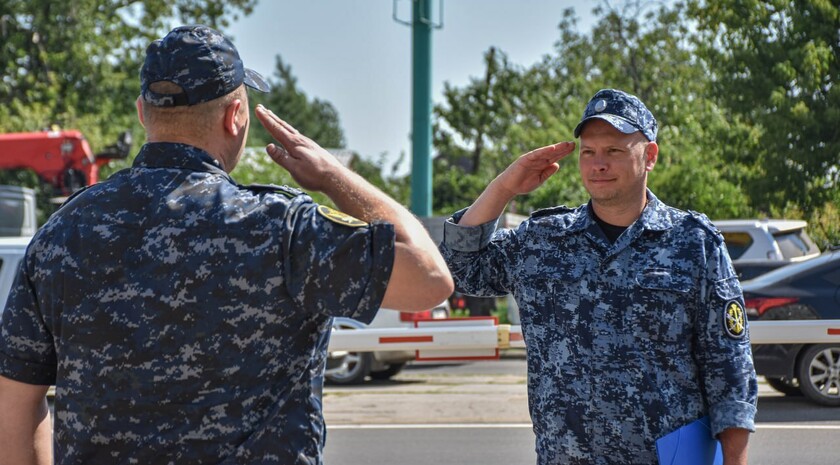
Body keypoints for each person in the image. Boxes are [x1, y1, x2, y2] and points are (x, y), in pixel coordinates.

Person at [0, 25, 453, 465]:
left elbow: (14, 417)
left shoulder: (61, 234)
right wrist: (333, 177)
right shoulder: (281, 227)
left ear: (142, 113)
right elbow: (430, 279)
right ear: (235, 117)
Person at [439, 89, 757, 465]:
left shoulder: (693, 242)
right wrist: (504, 187)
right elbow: (464, 268)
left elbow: (729, 369)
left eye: (614, 151)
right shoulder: (543, 239)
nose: (598, 164)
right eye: (589, 152)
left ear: (649, 156)